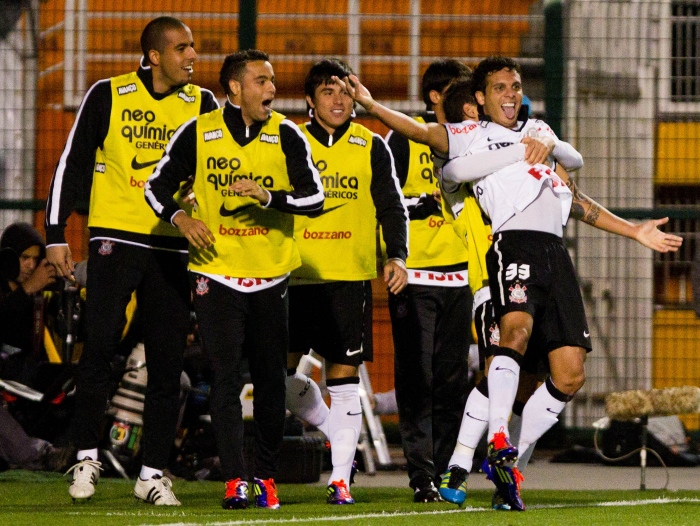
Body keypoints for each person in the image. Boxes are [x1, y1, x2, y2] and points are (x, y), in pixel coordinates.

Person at [336, 60, 683, 510]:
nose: (510, 93)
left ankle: (504, 463)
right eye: (499, 86)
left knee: (569, 374)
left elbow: (576, 198)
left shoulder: (538, 131)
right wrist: (370, 104)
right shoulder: (469, 136)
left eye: (516, 85)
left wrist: (635, 231)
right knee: (512, 338)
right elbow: (423, 135)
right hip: (512, 249)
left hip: (556, 256)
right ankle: (490, 443)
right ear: (479, 98)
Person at [44, 16, 219, 505]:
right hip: (114, 240)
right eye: (183, 47)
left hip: (171, 245)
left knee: (166, 364)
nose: (193, 56)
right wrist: (56, 234)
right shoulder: (108, 93)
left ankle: (152, 474)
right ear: (155, 55)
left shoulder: (203, 103)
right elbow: (71, 163)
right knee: (99, 351)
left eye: (194, 47)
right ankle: (85, 458)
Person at [144, 49, 325, 510]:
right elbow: (154, 186)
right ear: (234, 89)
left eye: (272, 80)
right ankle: (234, 480)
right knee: (224, 379)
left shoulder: (287, 135)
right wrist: (181, 218)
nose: (271, 89)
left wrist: (268, 195)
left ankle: (265, 475)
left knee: (269, 381)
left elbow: (316, 198)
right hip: (214, 272)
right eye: (261, 81)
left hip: (269, 275)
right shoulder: (200, 132)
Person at [282, 58, 408, 506]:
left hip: (349, 280)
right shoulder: (288, 139)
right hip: (294, 277)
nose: (338, 99)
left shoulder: (371, 145)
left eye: (343, 90)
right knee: (274, 378)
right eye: (327, 92)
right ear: (310, 101)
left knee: (343, 380)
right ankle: (338, 433)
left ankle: (340, 480)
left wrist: (396, 255)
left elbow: (392, 207)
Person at [383, 59, 473, 502]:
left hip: (461, 277)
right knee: (416, 376)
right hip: (414, 276)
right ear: (437, 96)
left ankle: (444, 471)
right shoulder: (403, 137)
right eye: (460, 91)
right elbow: (383, 197)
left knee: (452, 378)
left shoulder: (474, 139)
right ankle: (421, 474)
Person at [1, 222, 57, 383]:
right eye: (25, 257)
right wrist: (27, 289)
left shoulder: (38, 296)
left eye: (36, 259)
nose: (31, 266)